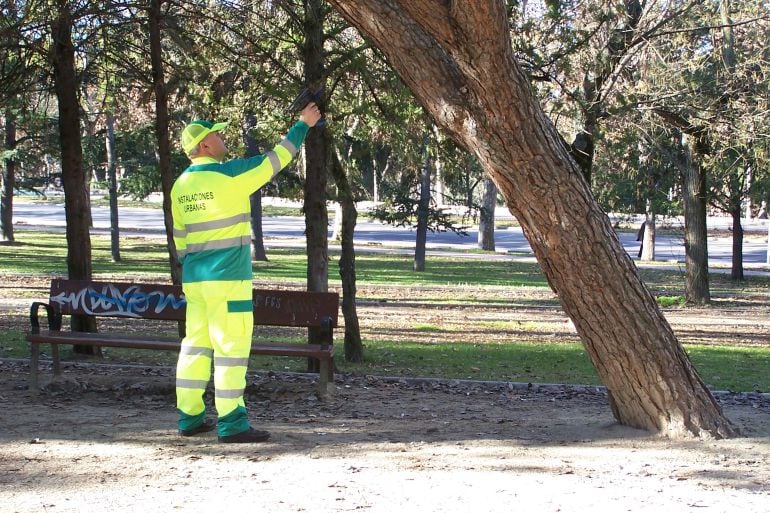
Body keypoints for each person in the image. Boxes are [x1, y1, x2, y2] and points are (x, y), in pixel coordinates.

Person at [171, 103, 322, 443]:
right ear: (205, 145)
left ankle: (190, 418)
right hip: (229, 279)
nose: (223, 137)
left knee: (194, 347)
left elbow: (180, 238)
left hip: (195, 280)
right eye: (217, 133)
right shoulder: (229, 175)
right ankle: (232, 424)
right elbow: (276, 159)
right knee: (230, 349)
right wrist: (302, 125)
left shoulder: (180, 186)